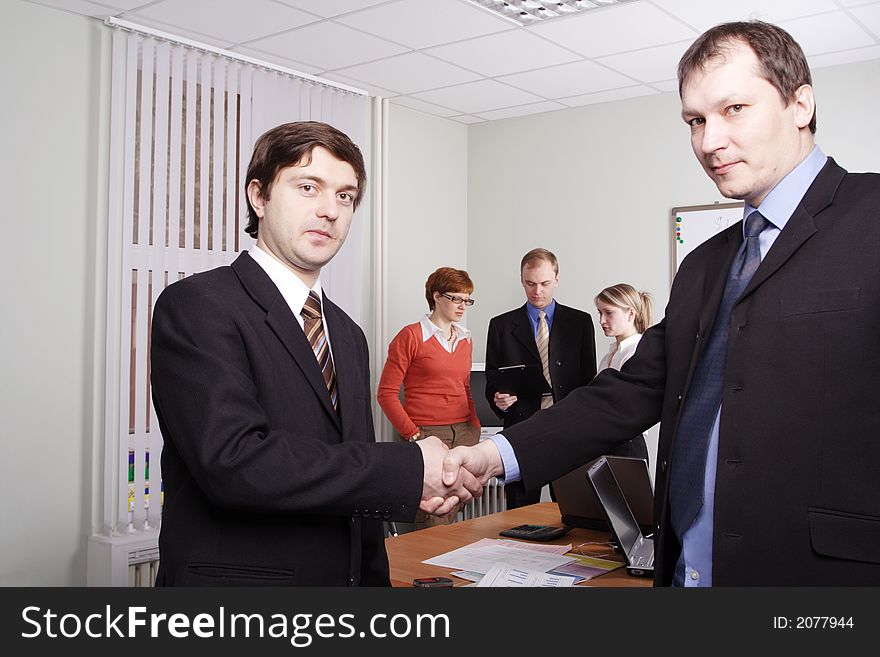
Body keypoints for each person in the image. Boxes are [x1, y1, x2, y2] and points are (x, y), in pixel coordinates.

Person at [443, 21, 880, 586]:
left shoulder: (871, 218)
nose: (709, 140)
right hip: (686, 573)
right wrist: (498, 454)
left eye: (734, 109)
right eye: (696, 120)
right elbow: (631, 391)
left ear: (801, 104)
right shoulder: (704, 264)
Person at [149, 121, 478, 586]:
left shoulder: (347, 333)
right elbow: (235, 461)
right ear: (258, 196)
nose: (330, 210)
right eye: (308, 187)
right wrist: (405, 470)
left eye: (345, 196)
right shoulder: (199, 305)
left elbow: (354, 480)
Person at [484, 248, 596, 508]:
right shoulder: (500, 326)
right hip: (521, 428)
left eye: (545, 283)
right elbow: (493, 380)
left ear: (556, 279)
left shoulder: (580, 322)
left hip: (568, 429)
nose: (537, 291)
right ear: (521, 280)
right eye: (530, 283)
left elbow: (588, 381)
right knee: (520, 513)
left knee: (571, 507)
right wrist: (497, 399)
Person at [377, 267, 480, 528]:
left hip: (464, 433)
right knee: (431, 518)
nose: (462, 306)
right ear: (436, 296)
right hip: (428, 433)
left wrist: (475, 427)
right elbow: (386, 394)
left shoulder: (466, 339)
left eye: (466, 299)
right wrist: (414, 436)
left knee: (452, 512)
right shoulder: (411, 336)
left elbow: (465, 387)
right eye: (455, 298)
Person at [594, 283, 652, 462]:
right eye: (600, 313)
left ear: (630, 313)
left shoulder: (640, 351)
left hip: (628, 446)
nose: (602, 320)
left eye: (609, 313)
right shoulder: (608, 356)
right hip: (605, 443)